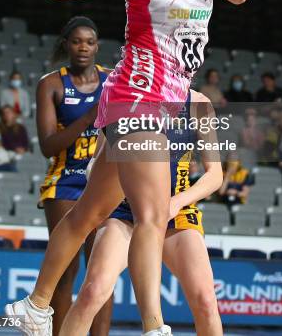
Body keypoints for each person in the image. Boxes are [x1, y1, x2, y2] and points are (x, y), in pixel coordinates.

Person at [6, 0, 248, 336]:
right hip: (136, 98)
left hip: (168, 102)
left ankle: (36, 303)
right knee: (153, 214)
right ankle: (155, 326)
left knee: (89, 212)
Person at [59, 91, 223, 336]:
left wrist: (176, 203)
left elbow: (215, 175)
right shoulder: (126, 97)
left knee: (206, 301)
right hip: (125, 211)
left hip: (174, 210)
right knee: (92, 292)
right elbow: (95, 164)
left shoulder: (199, 104)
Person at [37, 16, 113, 335]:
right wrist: (90, 117)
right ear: (66, 44)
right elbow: (48, 145)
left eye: (90, 42)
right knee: (66, 271)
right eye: (77, 41)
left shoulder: (113, 80)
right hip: (65, 180)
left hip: (104, 181)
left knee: (102, 272)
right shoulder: (51, 84)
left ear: (97, 47)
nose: (84, 47)